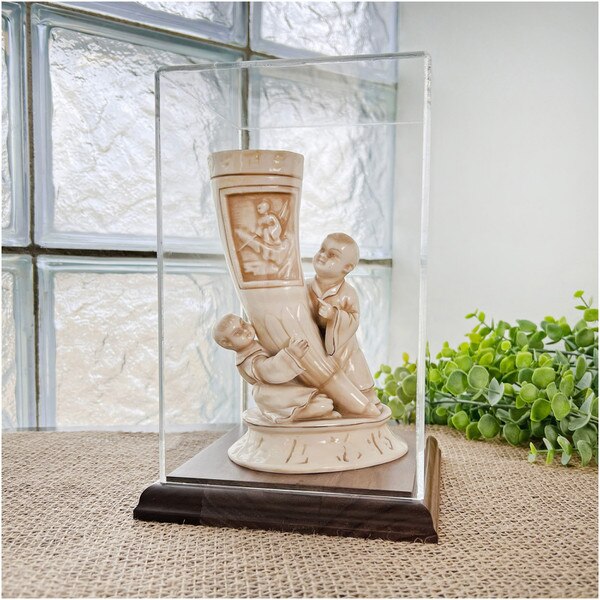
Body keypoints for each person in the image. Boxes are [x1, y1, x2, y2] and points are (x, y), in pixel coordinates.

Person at [212, 314, 340, 423]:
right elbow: (269, 371)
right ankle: (295, 415)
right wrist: (291, 353)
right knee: (324, 405)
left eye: (243, 324)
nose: (245, 330)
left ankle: (315, 413)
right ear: (227, 343)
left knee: (324, 402)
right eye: (238, 333)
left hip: (284, 391)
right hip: (274, 397)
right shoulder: (249, 361)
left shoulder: (252, 346)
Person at [307, 233, 380, 405]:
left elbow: (354, 319)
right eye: (322, 249)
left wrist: (334, 316)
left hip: (342, 350)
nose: (322, 255)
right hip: (313, 348)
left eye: (332, 254)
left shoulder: (348, 294)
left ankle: (360, 401)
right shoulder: (305, 287)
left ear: (347, 268)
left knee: (353, 383)